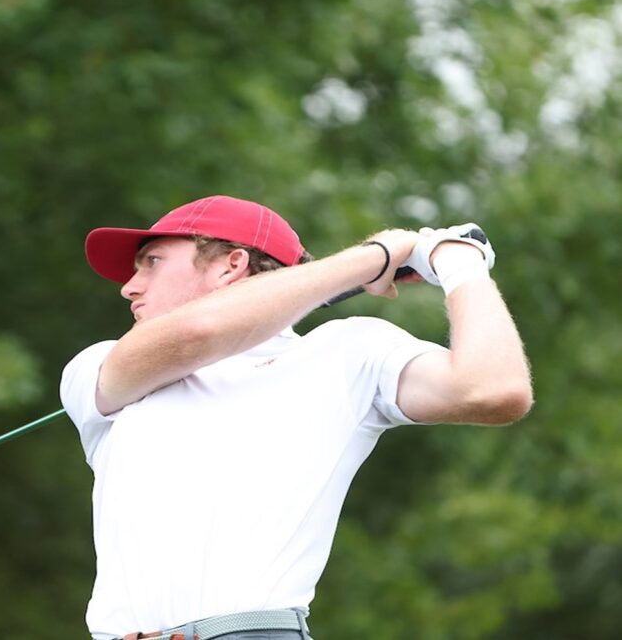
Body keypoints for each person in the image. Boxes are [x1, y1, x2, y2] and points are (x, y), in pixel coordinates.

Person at [60, 195, 532, 640]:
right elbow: (197, 332)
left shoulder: (348, 351)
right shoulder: (98, 365)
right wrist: (381, 253)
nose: (129, 286)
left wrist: (459, 264)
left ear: (231, 265)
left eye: (152, 261)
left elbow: (495, 388)